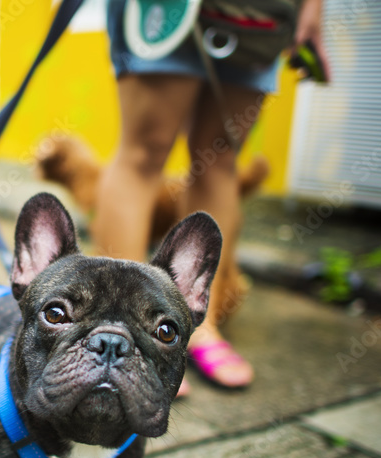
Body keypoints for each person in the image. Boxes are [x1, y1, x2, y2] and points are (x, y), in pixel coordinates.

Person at [91, 0, 329, 391]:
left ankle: (198, 327)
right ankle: (119, 328)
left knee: (220, 159)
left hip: (260, 14)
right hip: (168, 10)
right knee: (144, 152)